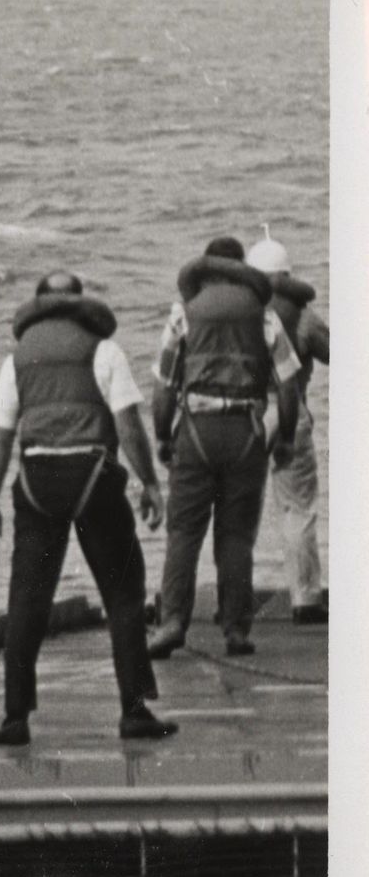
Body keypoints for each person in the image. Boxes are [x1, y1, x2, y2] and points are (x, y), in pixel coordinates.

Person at [0, 271, 176, 747]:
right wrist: (150, 483)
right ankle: (133, 711)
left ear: (39, 304)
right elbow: (128, 426)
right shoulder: (103, 351)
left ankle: (14, 718)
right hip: (93, 480)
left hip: (36, 483)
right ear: (81, 304)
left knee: (27, 600)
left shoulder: (17, 359)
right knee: (123, 595)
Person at [146, 235, 303, 659]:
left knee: (183, 533)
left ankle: (173, 622)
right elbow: (287, 385)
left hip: (195, 430)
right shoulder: (265, 316)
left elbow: (163, 387)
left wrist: (162, 436)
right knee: (236, 537)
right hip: (246, 433)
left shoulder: (184, 313)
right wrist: (285, 437)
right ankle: (235, 629)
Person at [246, 234, 330, 624]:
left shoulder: (240, 312)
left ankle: (233, 598)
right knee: (297, 509)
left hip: (245, 417)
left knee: (237, 511)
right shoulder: (303, 315)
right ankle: (306, 598)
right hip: (291, 411)